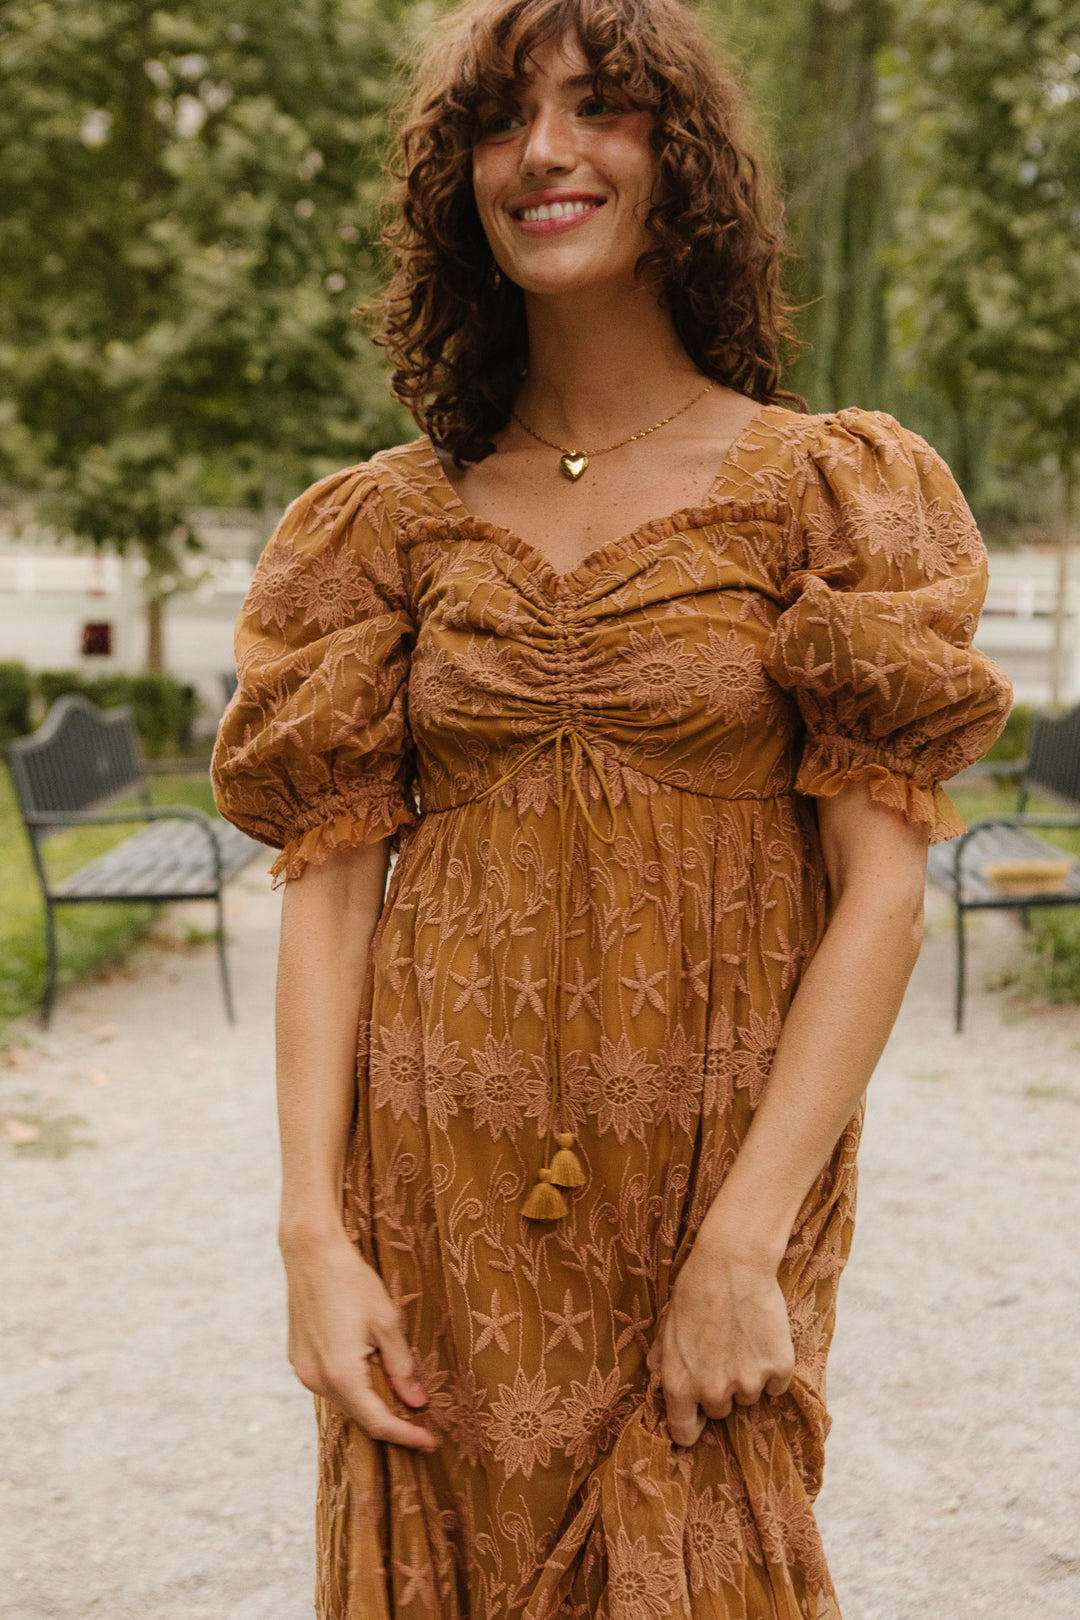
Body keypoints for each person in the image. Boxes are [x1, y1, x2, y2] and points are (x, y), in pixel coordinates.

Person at [211, 0, 1011, 1613]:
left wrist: (745, 1238)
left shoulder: (824, 490)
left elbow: (884, 890)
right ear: (459, 179)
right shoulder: (382, 526)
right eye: (502, 121)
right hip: (433, 1186)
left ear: (685, 164)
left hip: (709, 1177)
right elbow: (330, 882)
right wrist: (313, 1233)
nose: (547, 153)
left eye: (603, 110)